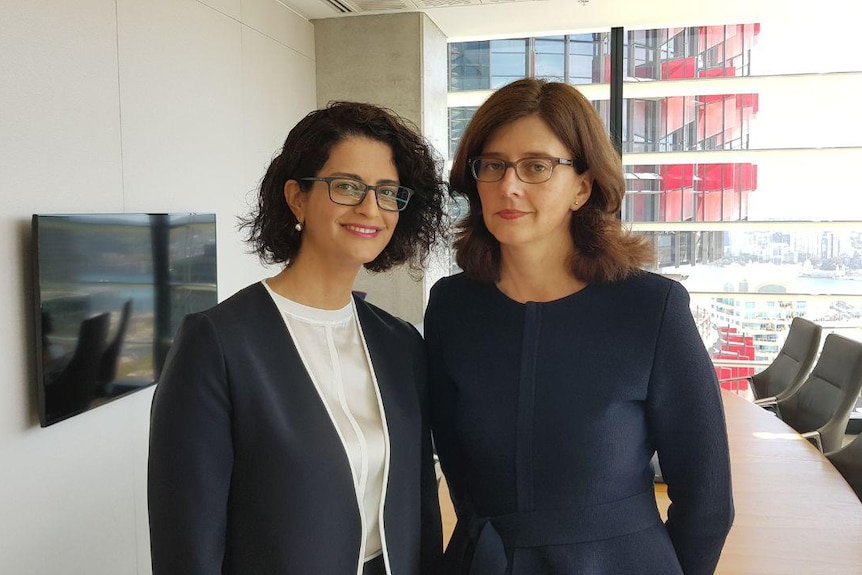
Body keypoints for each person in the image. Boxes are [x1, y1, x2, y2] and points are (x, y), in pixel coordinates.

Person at [425, 79, 734, 575]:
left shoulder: (650, 308)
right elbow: (453, 467)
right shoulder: (451, 307)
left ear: (582, 187)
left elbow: (708, 500)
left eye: (537, 166)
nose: (509, 185)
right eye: (493, 164)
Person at [148, 101, 446, 575]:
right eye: (348, 186)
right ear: (297, 197)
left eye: (388, 192)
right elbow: (187, 542)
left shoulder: (400, 344)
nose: (371, 207)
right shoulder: (218, 344)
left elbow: (421, 509)